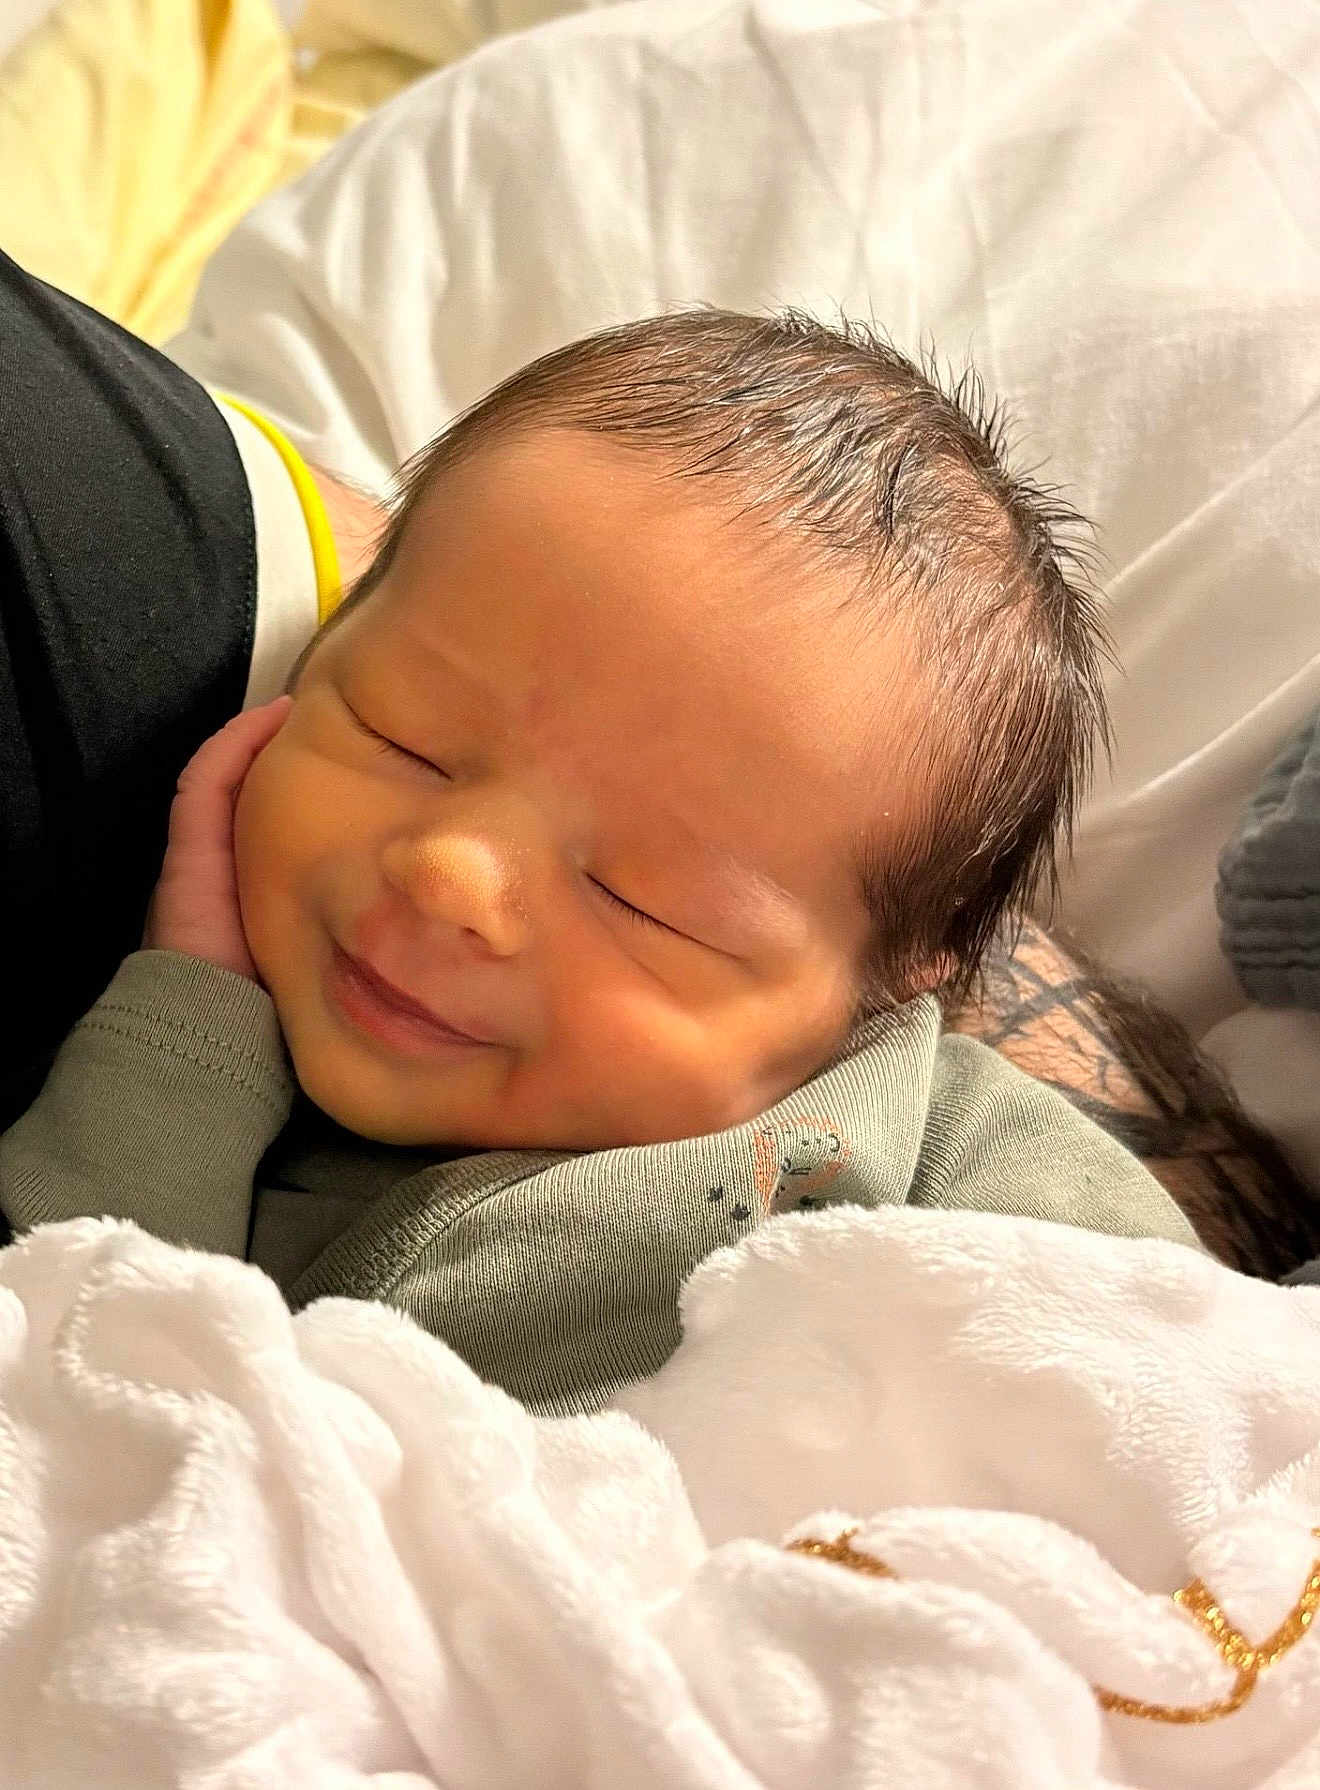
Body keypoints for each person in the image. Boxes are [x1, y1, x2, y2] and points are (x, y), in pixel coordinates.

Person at [3, 305, 1221, 1415]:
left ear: (893, 977)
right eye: (403, 736)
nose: (451, 876)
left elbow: (1216, 1418)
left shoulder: (959, 1165)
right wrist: (185, 1035)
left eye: (645, 896)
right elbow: (68, 1368)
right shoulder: (204, 1081)